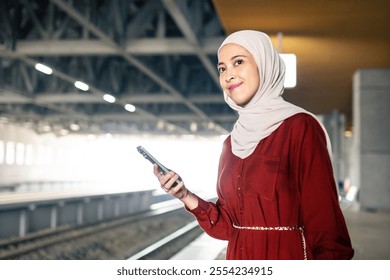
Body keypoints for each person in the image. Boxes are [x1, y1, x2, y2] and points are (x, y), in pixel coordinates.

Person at [153, 30, 354, 260]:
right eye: (222, 68)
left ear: (263, 64)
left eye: (238, 62)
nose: (228, 75)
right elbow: (229, 228)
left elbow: (328, 231)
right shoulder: (231, 144)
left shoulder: (300, 128)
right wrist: (185, 194)